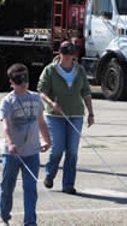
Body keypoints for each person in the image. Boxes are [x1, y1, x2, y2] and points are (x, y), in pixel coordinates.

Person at [37, 41, 95, 195]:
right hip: (56, 115)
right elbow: (41, 90)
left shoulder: (79, 70)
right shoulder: (50, 70)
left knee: (72, 151)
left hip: (75, 114)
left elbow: (86, 92)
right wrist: (51, 102)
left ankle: (68, 184)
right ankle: (50, 174)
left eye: (71, 54)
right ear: (60, 54)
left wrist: (91, 113)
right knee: (58, 148)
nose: (69, 58)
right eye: (66, 54)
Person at [0, 63, 51, 226]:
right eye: (19, 81)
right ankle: (4, 216)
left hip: (31, 152)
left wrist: (47, 140)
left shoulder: (35, 99)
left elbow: (41, 121)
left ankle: (30, 222)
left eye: (25, 81)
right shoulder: (7, 101)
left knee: (30, 188)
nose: (23, 84)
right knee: (7, 186)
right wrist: (10, 143)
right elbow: (6, 126)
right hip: (12, 153)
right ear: (11, 83)